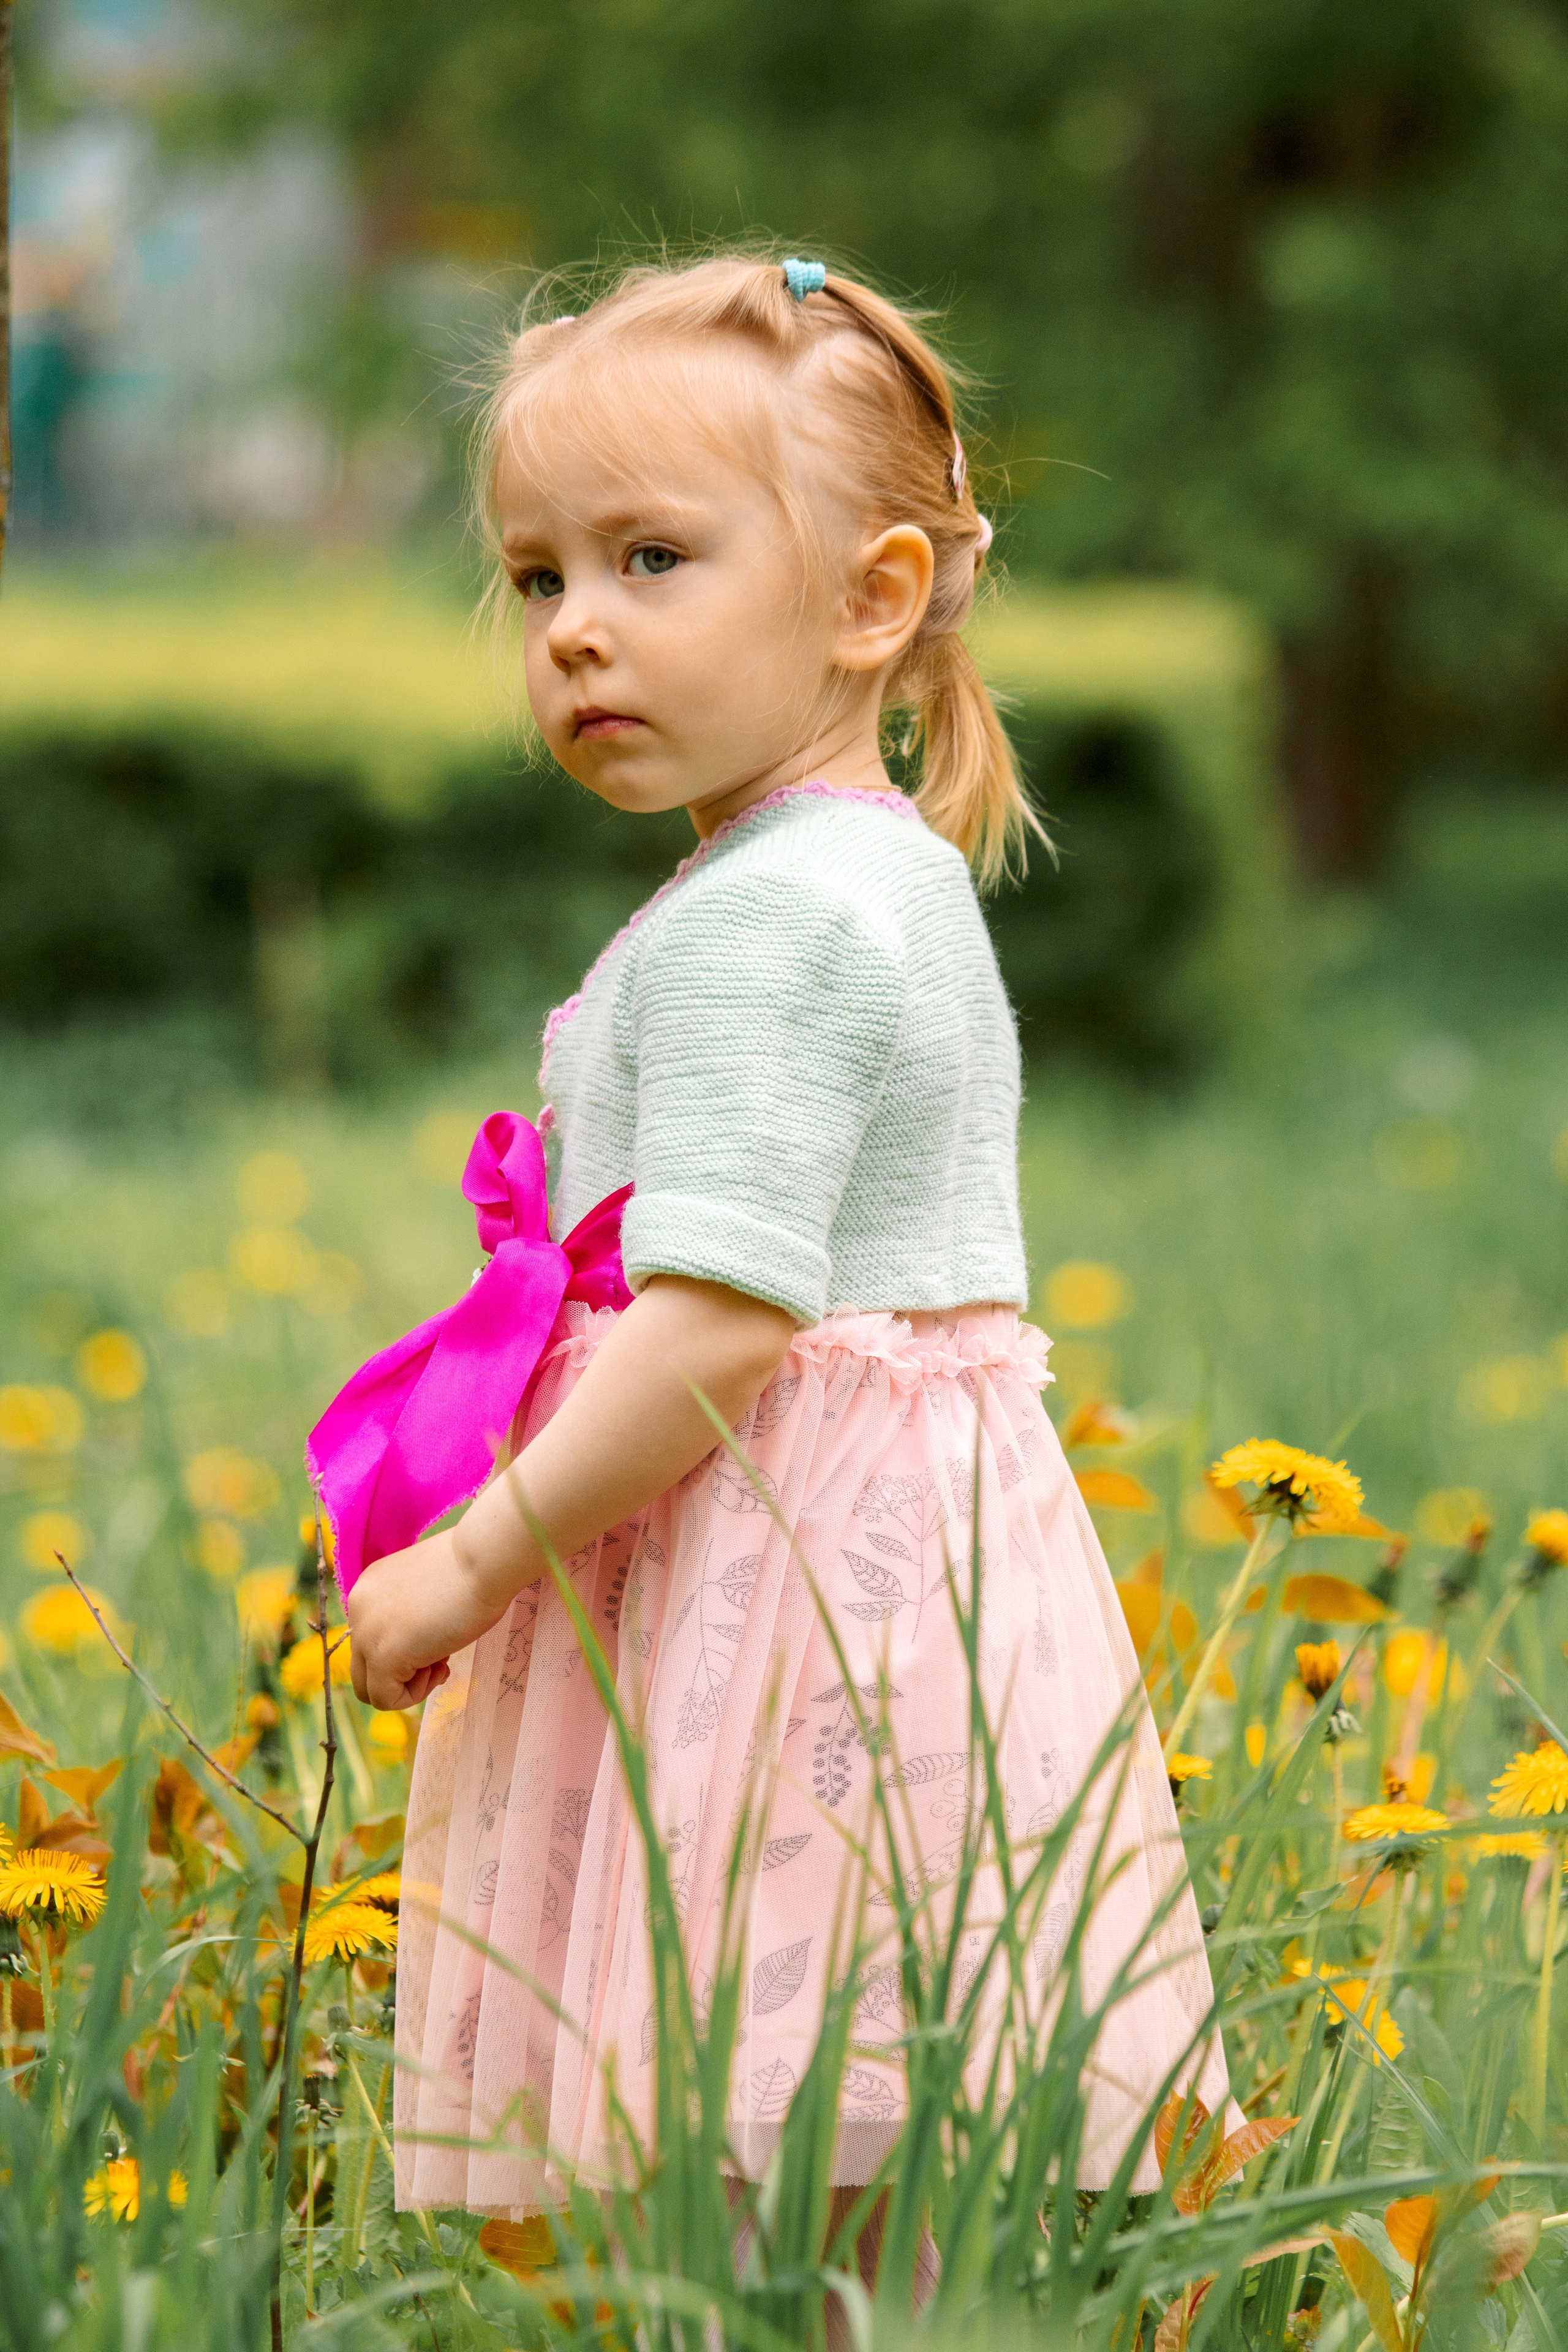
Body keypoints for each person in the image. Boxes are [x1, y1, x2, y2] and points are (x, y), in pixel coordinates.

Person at [339, 251, 1230, 2242]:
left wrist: (476, 1556)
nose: (576, 631)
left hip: (780, 1572)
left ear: (873, 598)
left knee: (769, 2119)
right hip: (881, 1578)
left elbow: (724, 1326)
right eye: (541, 575)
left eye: (654, 559)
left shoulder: (777, 918)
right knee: (852, 2144)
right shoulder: (849, 873)